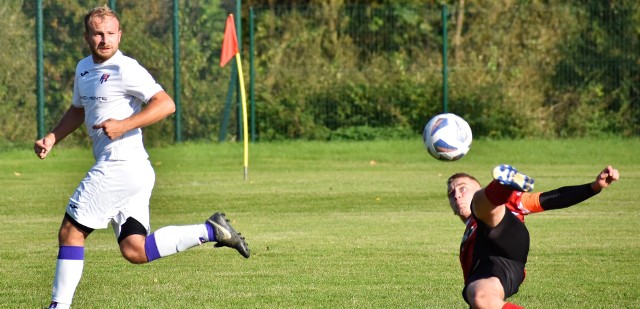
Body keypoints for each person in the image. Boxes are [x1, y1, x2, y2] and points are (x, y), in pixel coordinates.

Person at [33, 6, 250, 309]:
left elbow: (166, 104)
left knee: (70, 232)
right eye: (98, 33)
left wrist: (123, 125)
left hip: (119, 166)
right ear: (86, 36)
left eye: (110, 33)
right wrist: (53, 137)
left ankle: (58, 307)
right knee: (136, 250)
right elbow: (78, 110)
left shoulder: (126, 69)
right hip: (134, 171)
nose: (104, 39)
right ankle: (212, 230)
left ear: (119, 35)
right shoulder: (83, 68)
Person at [446, 164, 619, 309]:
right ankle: (499, 188)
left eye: (462, 188)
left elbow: (553, 198)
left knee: (482, 205)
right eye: (451, 194)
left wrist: (594, 187)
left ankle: (503, 185)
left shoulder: (510, 202)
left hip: (510, 238)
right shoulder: (467, 242)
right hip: (498, 267)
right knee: (481, 298)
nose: (457, 195)